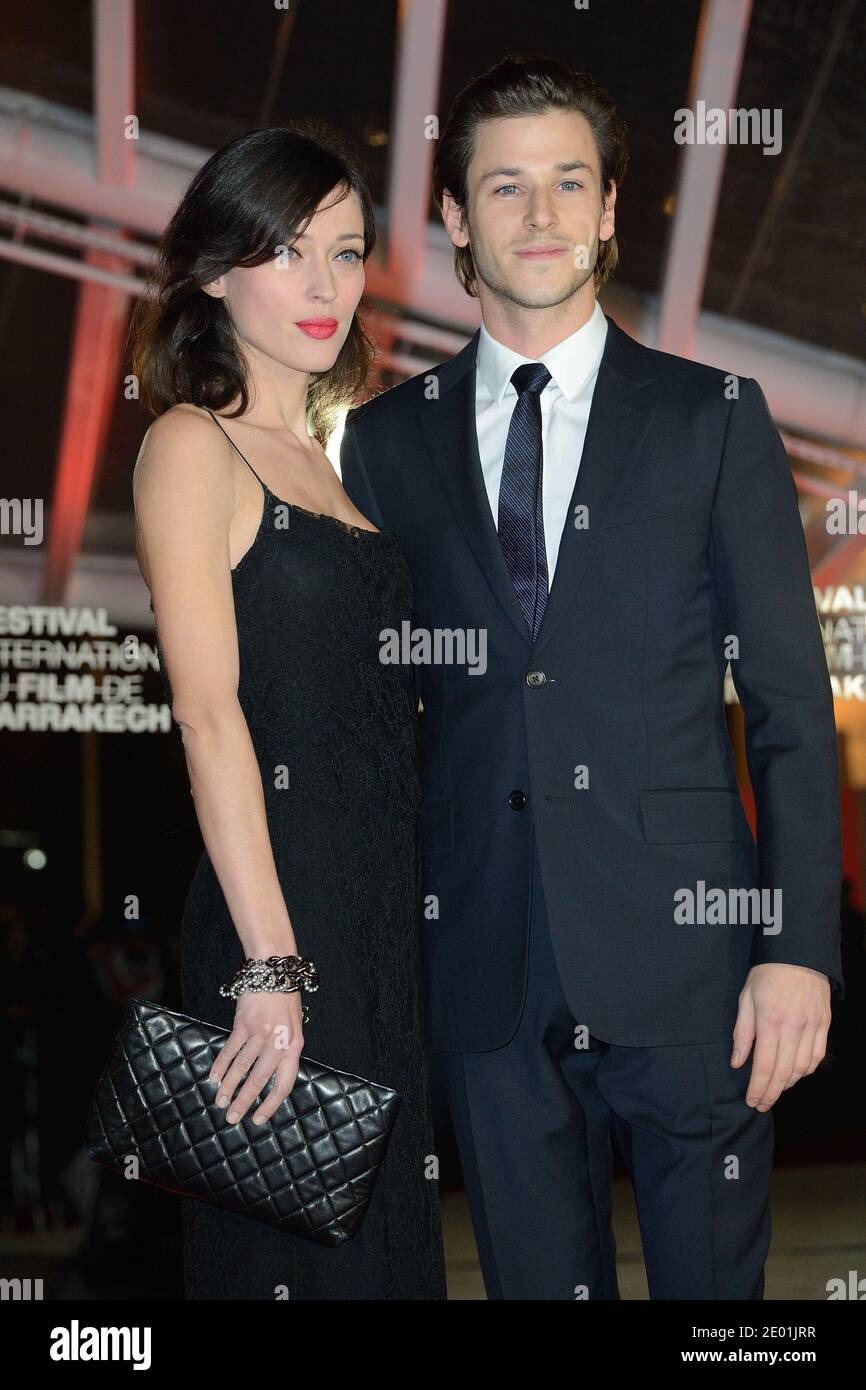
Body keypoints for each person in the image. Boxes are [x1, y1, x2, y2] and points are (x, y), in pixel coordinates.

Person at [340, 55, 843, 1300]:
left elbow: (787, 707)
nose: (542, 214)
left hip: (695, 967)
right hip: (486, 963)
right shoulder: (384, 441)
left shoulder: (712, 415)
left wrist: (798, 950)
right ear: (452, 215)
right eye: (504, 187)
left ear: (612, 206)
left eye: (570, 182)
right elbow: (370, 723)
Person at [130, 123, 446, 1300]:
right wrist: (271, 965)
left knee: (381, 1252)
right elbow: (209, 717)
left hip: (372, 919)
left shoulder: (329, 459)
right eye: (288, 251)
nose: (324, 286)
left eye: (348, 252)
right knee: (292, 1258)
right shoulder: (190, 446)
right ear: (214, 270)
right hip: (279, 923)